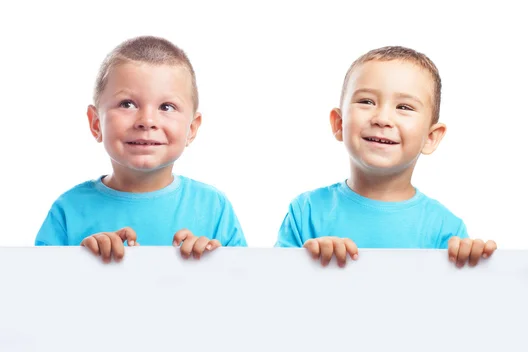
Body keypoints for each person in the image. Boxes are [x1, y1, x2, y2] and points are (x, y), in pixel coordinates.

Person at [275, 46, 496, 268]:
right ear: (339, 124)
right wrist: (306, 264)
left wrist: (475, 268)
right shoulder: (306, 212)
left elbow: (460, 300)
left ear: (430, 137)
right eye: (366, 102)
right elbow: (272, 289)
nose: (382, 118)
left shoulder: (446, 229)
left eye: (404, 107)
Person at [36, 36, 246, 262]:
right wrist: (81, 261)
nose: (147, 121)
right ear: (96, 123)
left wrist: (212, 264)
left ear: (192, 129)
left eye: (167, 106)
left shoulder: (214, 209)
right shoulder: (68, 210)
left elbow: (248, 287)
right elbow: (36, 289)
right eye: (127, 104)